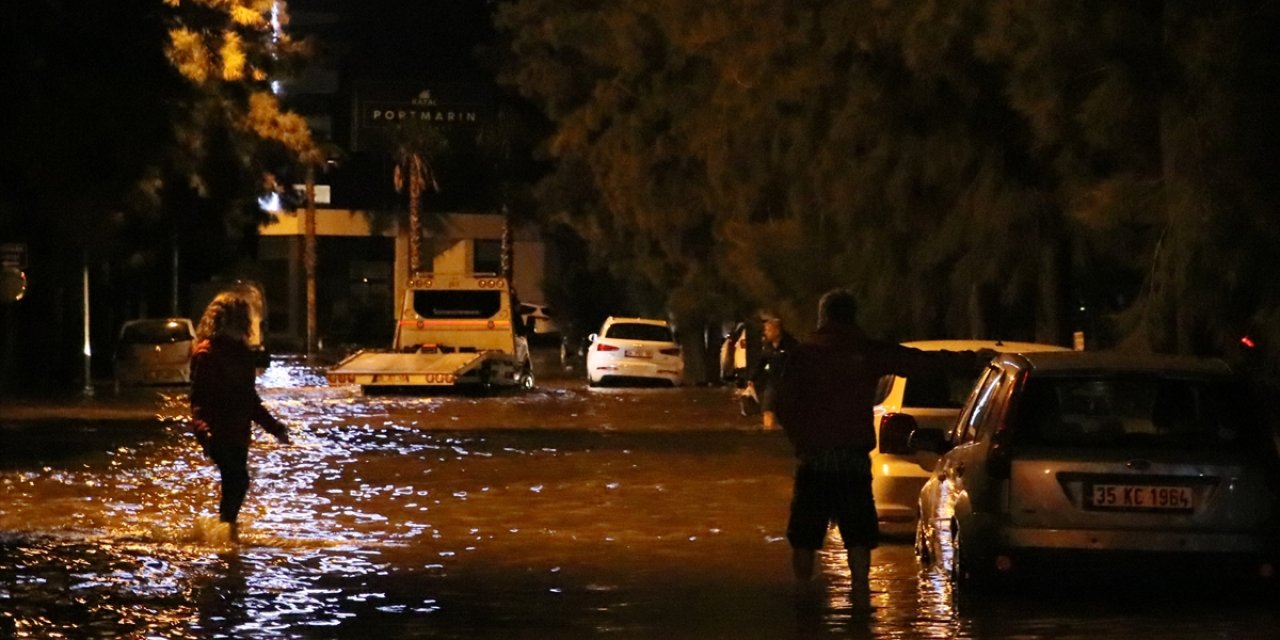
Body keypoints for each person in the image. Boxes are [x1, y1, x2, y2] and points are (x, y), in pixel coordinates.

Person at [774, 288, 991, 594]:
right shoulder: (865, 351)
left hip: (814, 459)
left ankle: (803, 599)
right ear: (853, 316)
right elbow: (920, 362)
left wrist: (803, 439)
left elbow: (782, 403)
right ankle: (861, 598)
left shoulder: (803, 355)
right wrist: (973, 361)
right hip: (853, 461)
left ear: (822, 317)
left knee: (805, 537)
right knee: (859, 536)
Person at [189, 292, 291, 543]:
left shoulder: (243, 354)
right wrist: (203, 431)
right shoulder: (206, 353)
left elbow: (250, 399)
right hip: (218, 431)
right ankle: (226, 538)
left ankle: (224, 536)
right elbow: (199, 400)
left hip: (238, 431)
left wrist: (274, 427)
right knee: (238, 479)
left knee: (236, 482)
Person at [746, 317, 798, 429]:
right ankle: (768, 433)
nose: (765, 333)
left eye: (768, 330)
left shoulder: (791, 345)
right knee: (767, 409)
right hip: (773, 382)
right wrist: (751, 379)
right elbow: (760, 363)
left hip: (788, 384)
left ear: (777, 331)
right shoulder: (767, 347)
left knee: (787, 413)